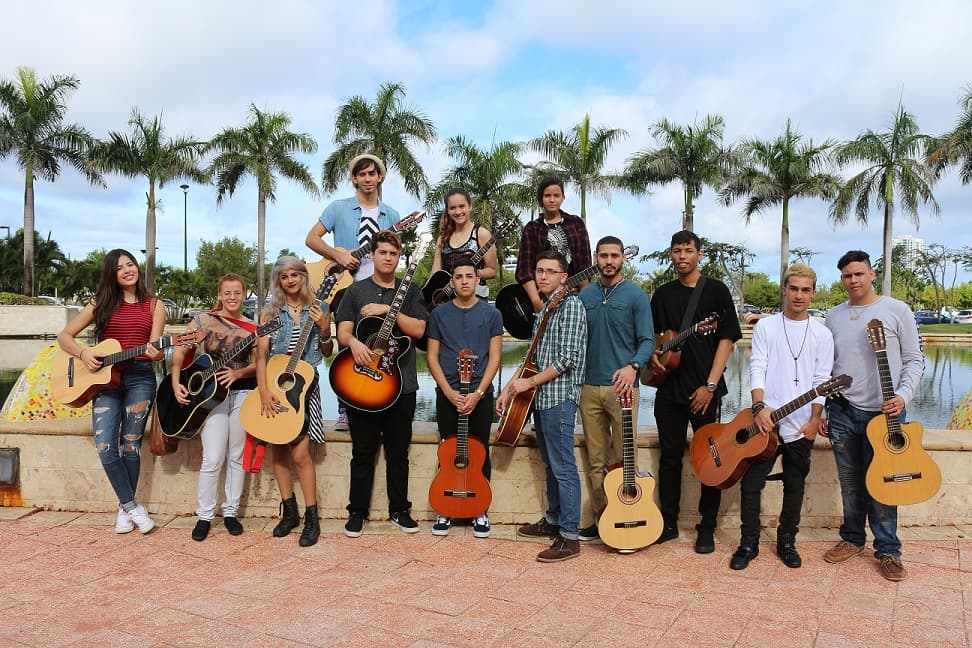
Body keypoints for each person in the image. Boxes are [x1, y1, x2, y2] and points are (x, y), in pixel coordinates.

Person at [822, 250, 924, 581]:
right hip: (842, 410)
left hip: (886, 414)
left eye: (859, 274)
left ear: (872, 274)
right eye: (847, 276)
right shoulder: (834, 316)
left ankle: (888, 550)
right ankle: (852, 539)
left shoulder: (897, 310)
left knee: (886, 483)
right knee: (850, 483)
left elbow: (914, 359)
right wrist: (823, 407)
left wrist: (902, 396)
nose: (853, 280)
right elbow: (826, 367)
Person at [730, 263, 834, 570]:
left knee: (795, 484)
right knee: (751, 484)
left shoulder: (822, 334)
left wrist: (815, 420)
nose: (799, 295)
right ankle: (748, 543)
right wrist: (759, 408)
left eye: (805, 290)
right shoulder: (766, 327)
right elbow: (757, 367)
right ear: (784, 290)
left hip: (801, 425)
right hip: (765, 422)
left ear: (813, 293)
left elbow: (822, 379)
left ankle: (787, 541)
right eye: (794, 289)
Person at [57, 249, 166, 534]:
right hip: (104, 381)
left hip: (140, 378)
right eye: (119, 268)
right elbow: (64, 337)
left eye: (130, 264)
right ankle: (131, 506)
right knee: (105, 446)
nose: (127, 270)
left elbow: (155, 349)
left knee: (130, 445)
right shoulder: (101, 303)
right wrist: (83, 354)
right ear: (112, 275)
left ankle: (123, 509)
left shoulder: (155, 305)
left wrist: (157, 354)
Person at [648, 230, 741, 553]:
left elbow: (726, 342)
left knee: (711, 461)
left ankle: (707, 527)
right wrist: (654, 357)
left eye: (688, 250)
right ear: (671, 255)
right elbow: (654, 338)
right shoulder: (662, 294)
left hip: (704, 391)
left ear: (699, 254)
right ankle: (668, 522)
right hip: (668, 390)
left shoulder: (716, 291)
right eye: (677, 250)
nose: (682, 256)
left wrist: (710, 386)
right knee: (669, 459)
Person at [335, 230, 428, 537]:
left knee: (398, 453)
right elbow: (343, 332)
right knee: (362, 452)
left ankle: (399, 510)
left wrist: (389, 310)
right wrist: (354, 344)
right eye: (383, 252)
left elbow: (418, 330)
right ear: (372, 255)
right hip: (362, 383)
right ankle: (357, 512)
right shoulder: (355, 291)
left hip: (402, 386)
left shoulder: (410, 290)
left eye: (393, 253)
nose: (388, 258)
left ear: (399, 257)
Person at [498, 250, 587, 562]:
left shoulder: (571, 306)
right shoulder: (548, 306)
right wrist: (510, 388)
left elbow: (567, 359)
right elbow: (532, 356)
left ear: (564, 277)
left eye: (550, 271)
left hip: (559, 398)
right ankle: (553, 520)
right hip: (540, 397)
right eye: (539, 271)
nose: (543, 276)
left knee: (563, 467)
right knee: (551, 463)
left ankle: (570, 537)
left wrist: (529, 383)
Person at [306, 153, 400, 431]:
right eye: (362, 174)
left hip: (379, 290)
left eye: (372, 173)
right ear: (355, 179)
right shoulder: (338, 208)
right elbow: (311, 238)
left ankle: (376, 401)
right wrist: (338, 255)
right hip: (343, 288)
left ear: (380, 177)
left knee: (379, 345)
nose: (367, 179)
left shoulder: (392, 215)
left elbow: (393, 253)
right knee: (347, 345)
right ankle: (345, 409)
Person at [577, 236, 655, 542]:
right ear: (596, 257)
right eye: (604, 255)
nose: (609, 261)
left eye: (614, 255)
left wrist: (633, 366)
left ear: (623, 258)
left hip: (623, 390)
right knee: (596, 460)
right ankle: (603, 518)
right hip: (588, 388)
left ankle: (627, 513)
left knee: (624, 457)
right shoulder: (585, 296)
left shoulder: (636, 295)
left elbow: (647, 341)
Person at [170, 274, 258, 542]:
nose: (232, 297)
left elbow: (260, 363)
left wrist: (238, 373)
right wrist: (176, 382)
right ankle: (205, 515)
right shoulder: (202, 321)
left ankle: (230, 512)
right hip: (210, 397)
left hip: (242, 393)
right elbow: (179, 352)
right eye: (227, 293)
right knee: (213, 456)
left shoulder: (253, 327)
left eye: (237, 293)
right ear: (219, 294)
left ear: (244, 295)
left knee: (236, 456)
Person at [254, 256, 333, 548]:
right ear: (279, 280)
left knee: (300, 455)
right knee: (278, 452)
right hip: (275, 386)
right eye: (284, 276)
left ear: (303, 276)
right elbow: (261, 355)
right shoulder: (269, 313)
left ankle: (312, 518)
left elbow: (327, 351)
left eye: (294, 275)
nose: (290, 280)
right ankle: (289, 513)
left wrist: (324, 327)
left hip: (304, 385)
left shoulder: (321, 307)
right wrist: (264, 391)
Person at [426, 258, 504, 537]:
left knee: (480, 451)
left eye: (469, 276)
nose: (464, 281)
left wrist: (479, 393)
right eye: (458, 277)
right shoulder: (439, 315)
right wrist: (449, 392)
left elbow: (495, 358)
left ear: (477, 279)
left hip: (480, 396)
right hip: (448, 395)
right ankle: (445, 507)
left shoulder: (492, 314)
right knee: (448, 450)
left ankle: (480, 509)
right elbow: (432, 357)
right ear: (452, 282)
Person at [515, 176, 592, 313]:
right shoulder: (532, 228)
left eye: (556, 195)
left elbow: (584, 263)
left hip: (572, 297)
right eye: (547, 195)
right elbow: (524, 269)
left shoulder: (576, 223)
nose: (552, 200)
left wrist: (584, 297)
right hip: (540, 298)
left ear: (563, 197)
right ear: (541, 199)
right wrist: (536, 301)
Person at [429, 188, 497, 298]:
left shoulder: (481, 234)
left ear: (470, 206)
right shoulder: (442, 238)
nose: (458, 212)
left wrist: (469, 274)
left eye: (462, 206)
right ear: (447, 211)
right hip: (447, 301)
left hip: (475, 299)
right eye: (452, 208)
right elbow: (435, 273)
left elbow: (492, 271)